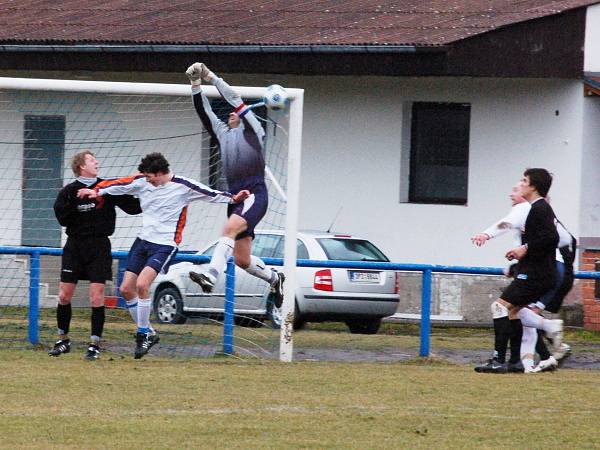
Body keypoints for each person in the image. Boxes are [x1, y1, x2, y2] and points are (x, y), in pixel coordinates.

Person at [78, 152, 248, 359]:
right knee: (125, 289)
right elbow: (117, 184)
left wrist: (234, 198)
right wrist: (96, 192)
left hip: (165, 245)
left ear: (159, 173)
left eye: (150, 176)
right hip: (142, 241)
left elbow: (210, 193)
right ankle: (149, 331)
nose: (147, 180)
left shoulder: (183, 186)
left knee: (142, 285)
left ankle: (142, 335)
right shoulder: (142, 182)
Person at [184, 62, 285, 308]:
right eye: (229, 112)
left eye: (236, 111)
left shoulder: (254, 131)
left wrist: (211, 77)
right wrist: (196, 85)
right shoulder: (221, 134)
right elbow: (204, 112)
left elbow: (234, 98)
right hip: (235, 199)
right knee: (242, 259)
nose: (232, 113)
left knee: (228, 230)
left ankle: (211, 275)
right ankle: (275, 278)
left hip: (254, 195)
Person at [472, 184, 575, 373]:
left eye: (518, 188)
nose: (511, 193)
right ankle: (527, 362)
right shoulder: (540, 211)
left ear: (531, 189)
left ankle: (545, 332)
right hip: (553, 269)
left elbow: (505, 224)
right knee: (516, 312)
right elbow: (566, 239)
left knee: (503, 307)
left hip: (543, 269)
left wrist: (486, 234)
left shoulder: (526, 208)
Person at [51, 150, 142, 360]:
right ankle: (63, 340)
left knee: (96, 296)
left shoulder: (107, 188)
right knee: (64, 295)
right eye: (92, 160)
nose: (97, 162)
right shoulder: (69, 191)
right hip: (75, 246)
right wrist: (77, 200)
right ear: (81, 166)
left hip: (99, 246)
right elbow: (62, 218)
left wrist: (148, 191)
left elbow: (134, 207)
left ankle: (94, 344)